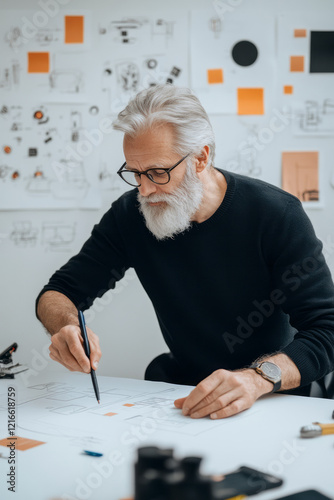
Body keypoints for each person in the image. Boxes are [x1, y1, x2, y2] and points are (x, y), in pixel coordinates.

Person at [36, 84, 334, 420]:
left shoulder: (276, 215)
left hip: (276, 393)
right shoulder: (129, 216)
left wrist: (257, 379)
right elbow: (58, 292)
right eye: (135, 173)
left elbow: (327, 331)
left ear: (201, 158)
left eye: (158, 173)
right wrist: (65, 327)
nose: (145, 190)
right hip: (184, 391)